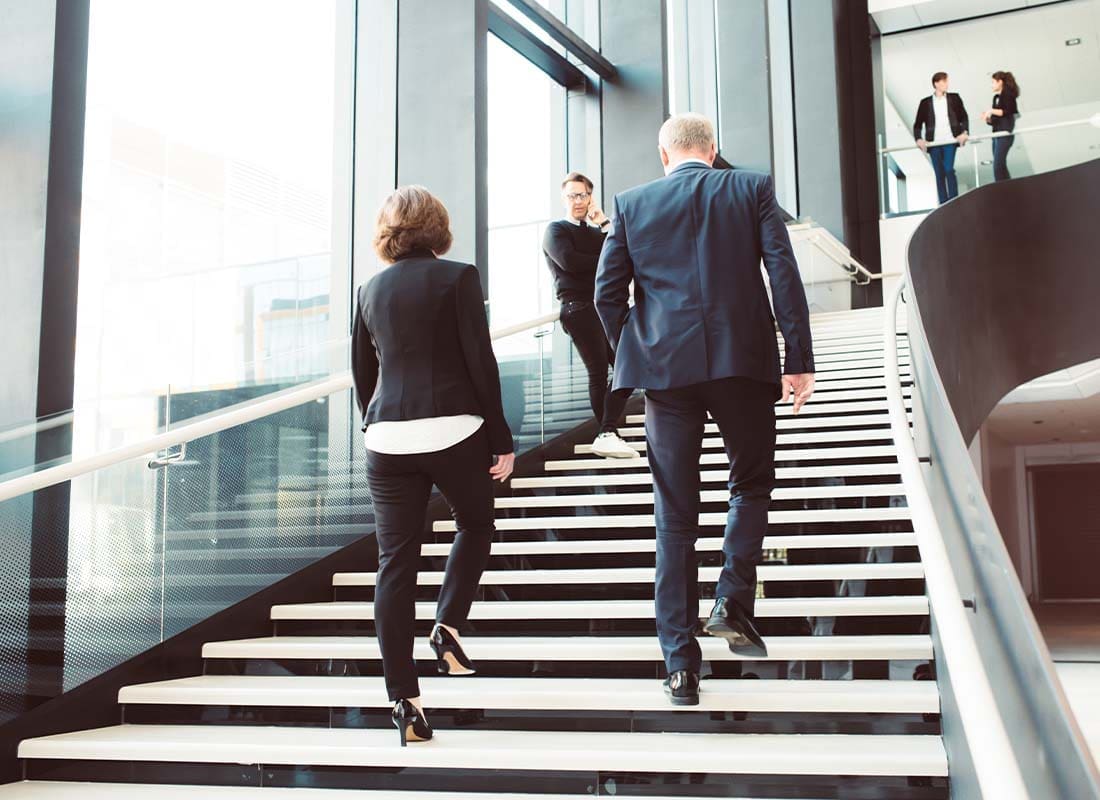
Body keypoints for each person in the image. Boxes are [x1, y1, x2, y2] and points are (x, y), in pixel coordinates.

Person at [595, 113, 815, 707]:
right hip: (743, 362)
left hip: (666, 375)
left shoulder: (631, 204)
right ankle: (732, 599)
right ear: (712, 150)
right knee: (750, 484)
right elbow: (783, 274)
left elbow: (605, 293)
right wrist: (798, 358)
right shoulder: (751, 188)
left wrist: (637, 348)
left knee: (674, 515)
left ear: (664, 153)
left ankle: (680, 667)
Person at [351, 185, 515, 746]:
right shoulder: (458, 277)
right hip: (454, 428)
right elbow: (480, 360)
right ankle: (447, 626)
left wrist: (374, 423)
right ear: (437, 227)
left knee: (394, 564)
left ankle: (405, 701)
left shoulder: (369, 290)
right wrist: (501, 437)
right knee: (476, 524)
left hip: (387, 436)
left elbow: (363, 372)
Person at [542, 172, 638, 459]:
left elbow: (623, 252)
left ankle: (607, 430)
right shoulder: (556, 230)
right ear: (563, 198)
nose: (578, 201)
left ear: (590, 197)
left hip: (602, 308)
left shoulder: (597, 233)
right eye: (572, 195)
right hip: (578, 308)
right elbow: (570, 262)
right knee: (598, 370)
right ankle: (607, 432)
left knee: (627, 365)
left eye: (583, 195)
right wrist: (608, 260)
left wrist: (604, 222)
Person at [912, 72, 970, 204]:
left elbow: (964, 117)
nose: (947, 84)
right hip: (933, 144)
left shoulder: (954, 98)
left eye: (947, 81)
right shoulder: (925, 103)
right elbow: (917, 124)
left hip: (950, 140)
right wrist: (918, 139)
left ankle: (954, 201)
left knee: (948, 169)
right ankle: (943, 204)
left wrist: (965, 132)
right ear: (936, 84)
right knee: (939, 174)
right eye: (944, 81)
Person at [982, 71, 1021, 182]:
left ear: (1000, 82)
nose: (991, 85)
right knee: (1000, 165)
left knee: (998, 165)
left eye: (993, 82)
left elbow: (1008, 111)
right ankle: (1007, 186)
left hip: (1005, 133)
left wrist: (991, 111)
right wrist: (988, 118)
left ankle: (1001, 187)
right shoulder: (996, 98)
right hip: (996, 134)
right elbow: (995, 119)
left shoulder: (1008, 94)